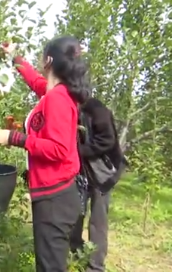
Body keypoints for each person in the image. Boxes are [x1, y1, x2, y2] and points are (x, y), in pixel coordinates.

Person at [0, 36, 91, 272]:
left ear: (49, 60)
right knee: (50, 264)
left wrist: (14, 137)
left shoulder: (57, 98)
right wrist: (14, 57)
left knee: (49, 267)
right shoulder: (57, 92)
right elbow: (36, 81)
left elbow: (59, 149)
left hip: (55, 198)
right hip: (58, 194)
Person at [69, 97, 126, 272]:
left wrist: (77, 150)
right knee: (74, 215)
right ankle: (77, 254)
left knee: (97, 222)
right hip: (81, 173)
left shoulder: (95, 108)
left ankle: (95, 267)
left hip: (103, 174)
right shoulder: (65, 108)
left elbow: (106, 140)